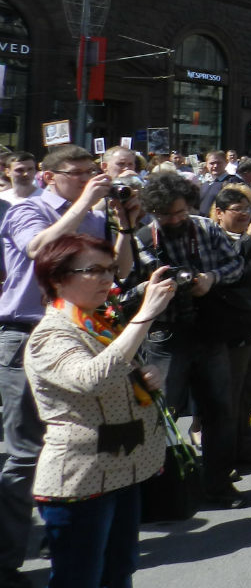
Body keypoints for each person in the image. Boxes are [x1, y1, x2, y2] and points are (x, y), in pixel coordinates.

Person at [0, 146, 139, 588]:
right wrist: (84, 203)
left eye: (90, 173)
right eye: (75, 174)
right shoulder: (28, 208)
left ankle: (68, 533)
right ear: (48, 175)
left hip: (83, 333)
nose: (85, 179)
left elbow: (117, 270)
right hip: (27, 333)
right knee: (25, 453)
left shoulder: (96, 216)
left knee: (81, 441)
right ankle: (7, 560)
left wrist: (125, 224)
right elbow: (39, 249)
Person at [25, 236, 176, 588]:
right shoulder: (51, 334)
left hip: (120, 468)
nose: (107, 278)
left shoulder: (95, 321)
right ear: (58, 278)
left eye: (109, 269)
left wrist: (146, 376)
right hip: (80, 478)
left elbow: (119, 369)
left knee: (118, 571)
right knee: (79, 579)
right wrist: (146, 316)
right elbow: (91, 379)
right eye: (93, 270)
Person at [136, 172, 247, 508]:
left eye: (180, 212)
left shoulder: (206, 228)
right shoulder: (144, 237)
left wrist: (210, 278)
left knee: (220, 410)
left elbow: (237, 265)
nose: (174, 219)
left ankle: (218, 484)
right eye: (166, 214)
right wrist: (159, 288)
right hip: (165, 335)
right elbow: (130, 285)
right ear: (154, 211)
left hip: (209, 329)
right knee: (162, 413)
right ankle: (161, 489)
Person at [209, 186, 251, 467]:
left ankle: (243, 441)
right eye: (237, 210)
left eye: (246, 210)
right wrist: (249, 237)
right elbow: (231, 268)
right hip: (237, 319)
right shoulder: (216, 239)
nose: (243, 215)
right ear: (219, 213)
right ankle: (226, 453)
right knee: (233, 389)